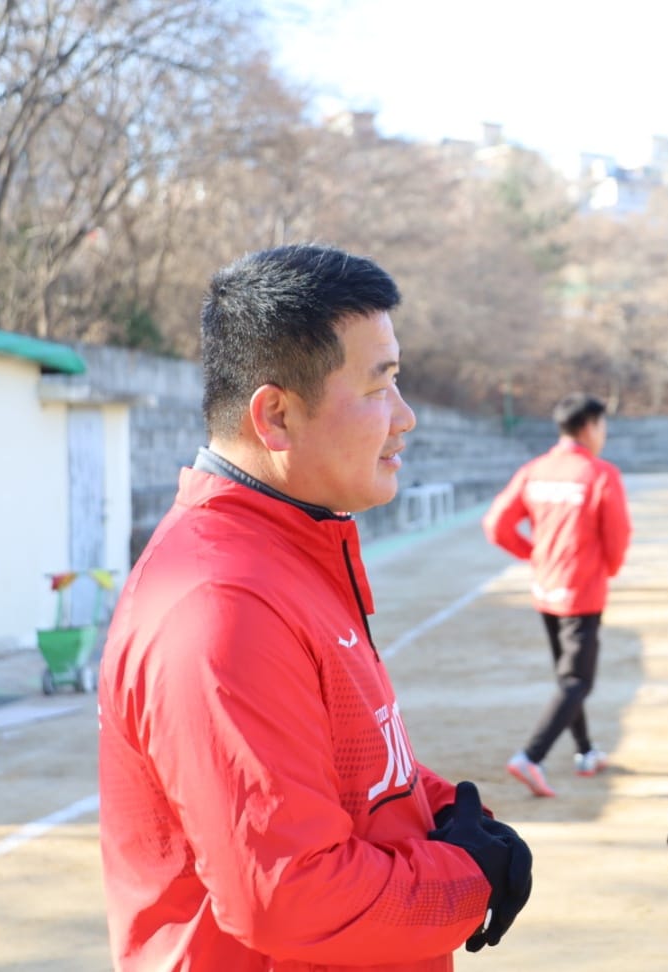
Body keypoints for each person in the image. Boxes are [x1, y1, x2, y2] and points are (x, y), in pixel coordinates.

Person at [98, 243, 531, 971]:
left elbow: (349, 771)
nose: (405, 417)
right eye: (378, 386)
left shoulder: (291, 550)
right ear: (276, 416)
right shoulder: (223, 605)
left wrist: (450, 814)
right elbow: (286, 893)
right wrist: (464, 878)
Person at [483, 392, 632, 797]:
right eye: (602, 425)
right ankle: (530, 757)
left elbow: (496, 525)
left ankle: (585, 751)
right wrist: (608, 569)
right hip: (581, 592)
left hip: (545, 588)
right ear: (590, 426)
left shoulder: (535, 470)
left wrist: (533, 555)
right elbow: (617, 535)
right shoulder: (600, 473)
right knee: (577, 681)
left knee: (568, 679)